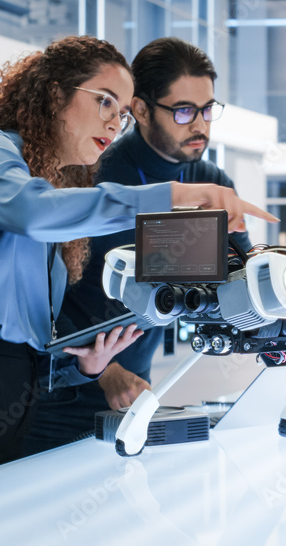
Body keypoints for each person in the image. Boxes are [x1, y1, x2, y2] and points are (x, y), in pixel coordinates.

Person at [0, 36, 276, 495]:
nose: (114, 120)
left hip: (14, 392)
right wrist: (172, 197)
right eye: (104, 101)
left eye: (120, 111)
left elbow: (27, 339)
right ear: (54, 93)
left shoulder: (52, 186)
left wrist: (87, 366)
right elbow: (34, 213)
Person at [23, 37, 262, 455]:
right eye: (184, 111)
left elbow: (249, 283)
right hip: (59, 395)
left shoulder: (213, 183)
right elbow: (40, 298)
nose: (200, 125)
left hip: (136, 394)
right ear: (141, 110)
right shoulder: (91, 175)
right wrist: (103, 371)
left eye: (207, 110)